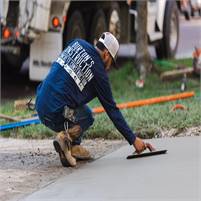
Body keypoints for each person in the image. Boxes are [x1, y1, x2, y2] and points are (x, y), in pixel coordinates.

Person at [35, 32, 154, 167]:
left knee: (79, 108)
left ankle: (71, 149)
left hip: (40, 103)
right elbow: (112, 110)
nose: (108, 67)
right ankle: (66, 139)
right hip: (55, 112)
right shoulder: (99, 73)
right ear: (106, 55)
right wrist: (134, 140)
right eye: (110, 62)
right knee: (87, 117)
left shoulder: (77, 43)